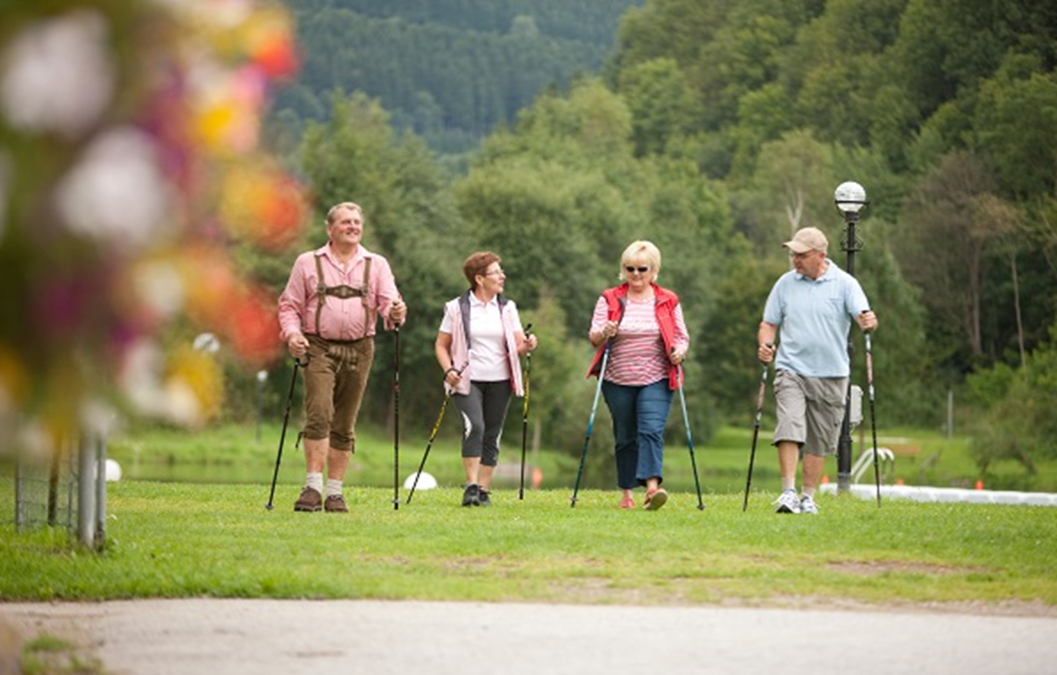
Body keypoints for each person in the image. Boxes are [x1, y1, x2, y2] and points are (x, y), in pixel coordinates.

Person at [278, 201, 407, 513]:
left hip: (360, 348)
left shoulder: (376, 264)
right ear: (330, 228)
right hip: (317, 346)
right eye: (346, 222)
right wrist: (293, 335)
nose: (353, 227)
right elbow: (289, 306)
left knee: (345, 422)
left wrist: (396, 311)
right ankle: (312, 488)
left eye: (357, 222)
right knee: (320, 412)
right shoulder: (307, 262)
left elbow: (391, 305)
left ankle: (334, 492)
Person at [757, 226, 878, 515]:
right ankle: (787, 493)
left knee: (820, 438)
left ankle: (807, 497)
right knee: (789, 425)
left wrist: (869, 323)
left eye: (801, 254)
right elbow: (768, 323)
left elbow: (865, 318)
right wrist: (766, 344)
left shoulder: (846, 284)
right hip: (791, 369)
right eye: (793, 254)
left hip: (833, 373)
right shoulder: (785, 284)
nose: (795, 260)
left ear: (820, 255)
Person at [587, 240, 689, 510]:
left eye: (641, 269)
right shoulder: (610, 298)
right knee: (625, 436)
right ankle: (627, 493)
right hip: (617, 379)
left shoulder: (668, 300)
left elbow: (681, 336)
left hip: (656, 377)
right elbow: (593, 336)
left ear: (653, 270)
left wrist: (679, 351)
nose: (635, 274)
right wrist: (605, 332)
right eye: (629, 268)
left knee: (651, 430)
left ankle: (653, 489)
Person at [435, 251, 537, 507]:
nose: (502, 276)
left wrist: (528, 345)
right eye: (496, 272)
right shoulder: (456, 308)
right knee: (475, 427)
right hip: (467, 379)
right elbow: (440, 345)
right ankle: (470, 485)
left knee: (493, 433)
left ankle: (483, 490)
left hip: (501, 380)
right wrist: (449, 370)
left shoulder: (507, 307)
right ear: (479, 278)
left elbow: (517, 345)